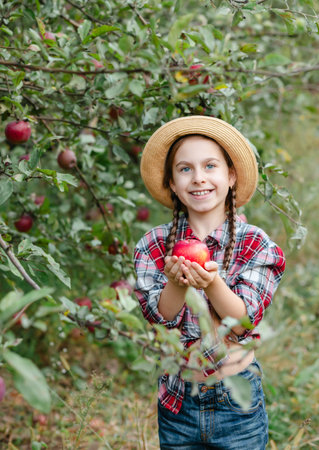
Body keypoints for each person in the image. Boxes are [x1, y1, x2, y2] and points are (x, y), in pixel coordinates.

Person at [133, 116, 286, 449]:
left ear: (230, 176)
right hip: (178, 400)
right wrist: (179, 283)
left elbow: (243, 321)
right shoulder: (155, 245)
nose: (198, 178)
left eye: (210, 166)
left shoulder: (254, 244)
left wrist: (212, 283)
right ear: (172, 183)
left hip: (236, 399)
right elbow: (160, 317)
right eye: (185, 169)